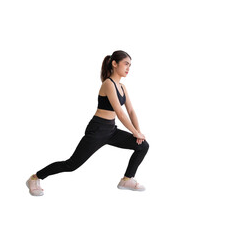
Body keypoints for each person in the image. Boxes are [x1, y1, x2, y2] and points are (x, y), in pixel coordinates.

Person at [26, 50, 149, 196]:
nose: (129, 68)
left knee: (142, 145)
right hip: (97, 130)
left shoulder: (122, 87)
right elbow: (120, 112)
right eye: (126, 64)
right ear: (114, 64)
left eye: (130, 65)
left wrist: (138, 132)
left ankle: (127, 179)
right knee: (71, 164)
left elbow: (131, 111)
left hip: (111, 130)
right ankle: (35, 178)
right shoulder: (108, 84)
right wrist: (135, 132)